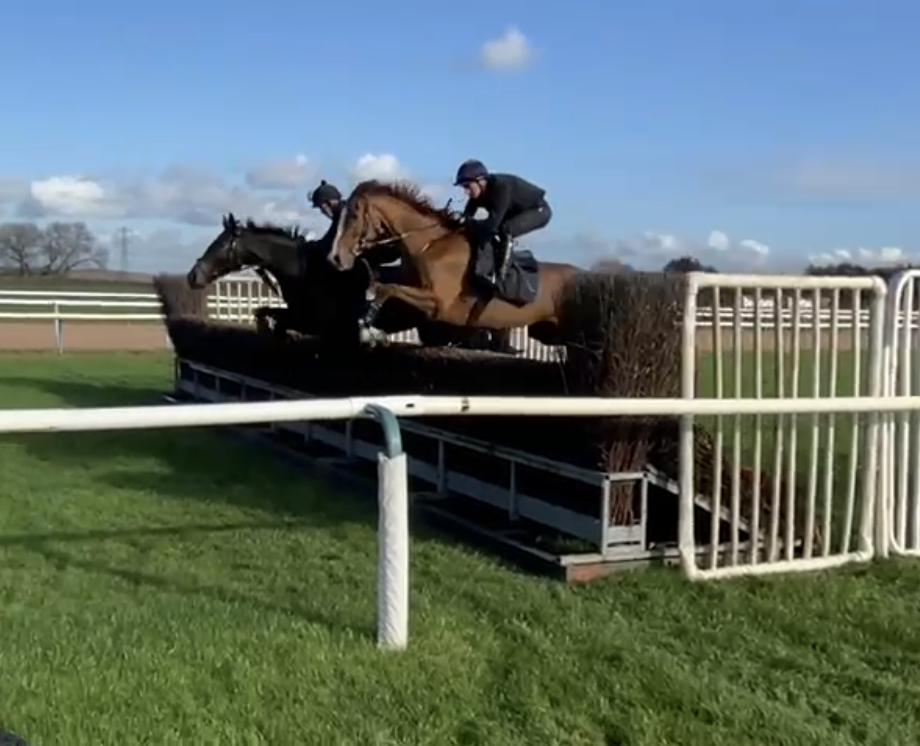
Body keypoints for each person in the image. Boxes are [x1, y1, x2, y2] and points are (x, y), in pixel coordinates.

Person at [454, 159, 552, 284]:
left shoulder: (500, 187)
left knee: (506, 229)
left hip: (539, 210)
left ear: (481, 181)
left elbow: (492, 226)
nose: (466, 192)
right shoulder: (477, 195)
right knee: (492, 231)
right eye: (464, 187)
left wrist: (472, 225)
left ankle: (502, 274)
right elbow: (467, 218)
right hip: (517, 211)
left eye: (468, 186)